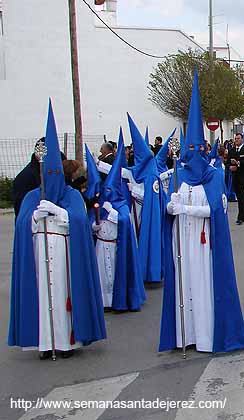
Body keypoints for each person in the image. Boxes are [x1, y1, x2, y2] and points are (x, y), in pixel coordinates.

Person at [159, 70, 244, 354]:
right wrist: (170, 206)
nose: (194, 153)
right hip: (181, 241)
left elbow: (215, 210)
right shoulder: (178, 175)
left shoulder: (212, 176)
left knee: (203, 286)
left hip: (203, 243)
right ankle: (185, 335)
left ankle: (208, 336)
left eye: (199, 148)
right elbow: (164, 200)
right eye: (190, 148)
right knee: (184, 286)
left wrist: (184, 207)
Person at [9, 101, 106, 359]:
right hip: (40, 256)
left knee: (64, 297)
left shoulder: (71, 195)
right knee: (43, 297)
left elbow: (79, 221)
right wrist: (34, 217)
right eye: (47, 171)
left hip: (64, 256)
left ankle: (66, 342)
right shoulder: (32, 196)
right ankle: (44, 343)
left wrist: (60, 212)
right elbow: (22, 226)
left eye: (55, 171)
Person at [92, 130, 145, 312]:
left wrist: (110, 212)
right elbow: (91, 221)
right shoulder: (100, 202)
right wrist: (95, 225)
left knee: (115, 274)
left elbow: (123, 220)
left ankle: (119, 299)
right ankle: (103, 302)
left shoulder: (120, 205)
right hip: (101, 245)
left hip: (115, 246)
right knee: (102, 275)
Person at [126, 116, 173, 283]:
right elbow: (123, 172)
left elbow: (149, 197)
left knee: (145, 238)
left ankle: (148, 270)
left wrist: (134, 193)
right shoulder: (138, 171)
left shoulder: (152, 175)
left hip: (145, 212)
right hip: (136, 211)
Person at [229, 132, 244, 224]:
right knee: (239, 196)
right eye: (236, 138)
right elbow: (227, 163)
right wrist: (230, 167)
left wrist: (238, 163)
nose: (236, 140)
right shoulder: (232, 150)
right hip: (235, 177)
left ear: (242, 139)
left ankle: (240, 217)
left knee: (241, 196)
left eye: (238, 138)